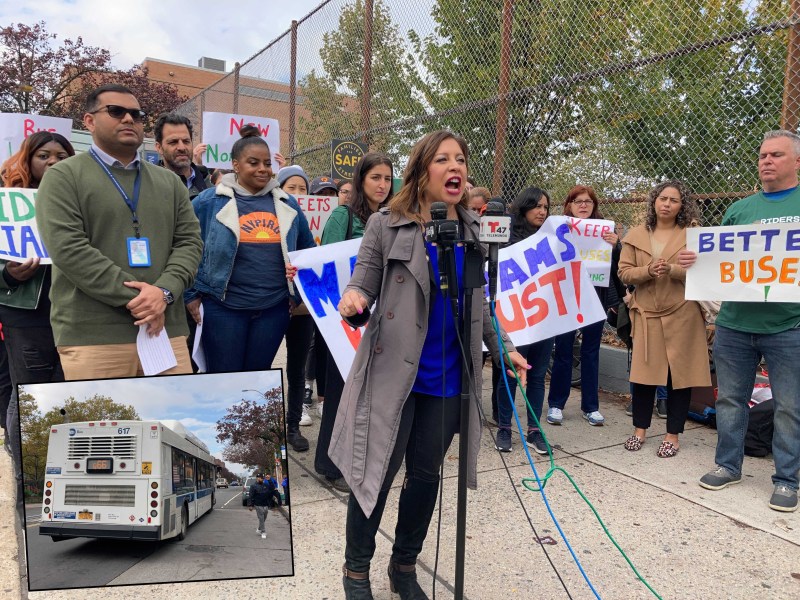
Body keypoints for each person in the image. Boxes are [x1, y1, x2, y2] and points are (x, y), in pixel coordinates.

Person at [331, 130, 528, 599]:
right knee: (375, 474)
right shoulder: (385, 224)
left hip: (448, 378)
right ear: (421, 171)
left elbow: (481, 305)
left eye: (460, 159)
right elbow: (362, 284)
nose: (455, 166)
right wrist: (353, 300)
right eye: (443, 159)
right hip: (393, 376)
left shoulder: (475, 231)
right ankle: (356, 572)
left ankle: (403, 567)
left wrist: (504, 347)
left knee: (424, 477)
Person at [36, 84, 202, 380]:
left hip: (166, 331)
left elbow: (190, 243)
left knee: (176, 412)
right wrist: (144, 301)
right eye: (116, 111)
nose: (128, 119)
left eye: (137, 114)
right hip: (94, 335)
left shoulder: (170, 183)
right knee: (100, 413)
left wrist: (163, 293)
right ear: (89, 121)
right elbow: (68, 249)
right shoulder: (63, 176)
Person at [681, 130, 800, 511]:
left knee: (789, 407)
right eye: (763, 155)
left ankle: (787, 481)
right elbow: (721, 262)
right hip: (734, 323)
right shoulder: (739, 210)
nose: (766, 161)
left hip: (788, 326)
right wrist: (694, 260)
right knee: (730, 400)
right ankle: (728, 466)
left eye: (776, 155)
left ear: (797, 161)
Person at [184, 126, 315, 374]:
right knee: (224, 378)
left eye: (267, 163)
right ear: (235, 164)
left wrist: (295, 294)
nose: (263, 169)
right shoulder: (208, 201)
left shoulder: (288, 204)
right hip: (223, 309)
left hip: (273, 310)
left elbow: (307, 251)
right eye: (253, 163)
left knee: (257, 380)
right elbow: (186, 247)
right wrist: (190, 295)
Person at [315, 152, 394, 493]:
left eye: (387, 178)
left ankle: (360, 459)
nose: (382, 185)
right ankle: (329, 465)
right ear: (361, 180)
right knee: (340, 393)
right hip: (344, 320)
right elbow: (326, 264)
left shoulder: (394, 218)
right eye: (375, 177)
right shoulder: (343, 216)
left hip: (379, 318)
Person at [618, 180, 709, 457]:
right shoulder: (636, 234)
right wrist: (647, 271)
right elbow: (624, 272)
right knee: (644, 376)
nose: (667, 204)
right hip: (647, 315)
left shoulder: (694, 235)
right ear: (654, 201)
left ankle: (673, 435)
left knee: (679, 377)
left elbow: (706, 273)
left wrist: (673, 270)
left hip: (683, 314)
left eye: (674, 200)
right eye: (663, 198)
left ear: (682, 206)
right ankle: (639, 430)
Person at [547, 185, 623, 426]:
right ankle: (556, 403)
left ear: (594, 205)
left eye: (588, 201)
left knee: (591, 352)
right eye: (578, 201)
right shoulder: (558, 228)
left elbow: (618, 267)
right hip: (567, 298)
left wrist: (617, 246)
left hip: (595, 298)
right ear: (569, 205)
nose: (583, 205)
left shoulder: (605, 231)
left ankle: (591, 407)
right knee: (563, 350)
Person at [493, 187, 556, 454]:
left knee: (538, 375)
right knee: (511, 374)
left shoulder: (551, 239)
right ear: (524, 207)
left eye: (546, 207)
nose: (542, 212)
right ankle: (504, 428)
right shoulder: (506, 238)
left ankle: (534, 430)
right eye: (537, 206)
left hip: (544, 318)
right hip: (516, 318)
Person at [277, 164, 314, 451]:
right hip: (273, 303)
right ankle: (269, 426)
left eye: (303, 188)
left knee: (297, 368)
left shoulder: (319, 220)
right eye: (292, 188)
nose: (298, 193)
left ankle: (292, 426)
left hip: (302, 307)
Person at [153, 113, 210, 199]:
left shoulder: (210, 187)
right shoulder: (148, 186)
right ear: (159, 147)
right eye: (173, 142)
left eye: (186, 141)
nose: (182, 148)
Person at [248, 473, 273, 539]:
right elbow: (251, 495)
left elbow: (272, 488)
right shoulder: (253, 486)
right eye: (258, 477)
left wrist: (269, 480)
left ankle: (259, 529)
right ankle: (263, 532)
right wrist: (250, 505)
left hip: (265, 504)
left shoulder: (266, 485)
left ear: (263, 479)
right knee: (261, 517)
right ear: (256, 478)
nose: (259, 479)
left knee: (264, 517)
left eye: (261, 478)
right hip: (258, 504)